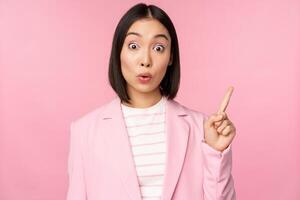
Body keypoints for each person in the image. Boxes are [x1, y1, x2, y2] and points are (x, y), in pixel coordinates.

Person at [67, 3, 236, 200]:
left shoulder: (201, 129)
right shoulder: (84, 131)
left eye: (158, 48)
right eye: (133, 46)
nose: (145, 60)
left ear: (171, 56)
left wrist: (217, 152)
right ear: (118, 52)